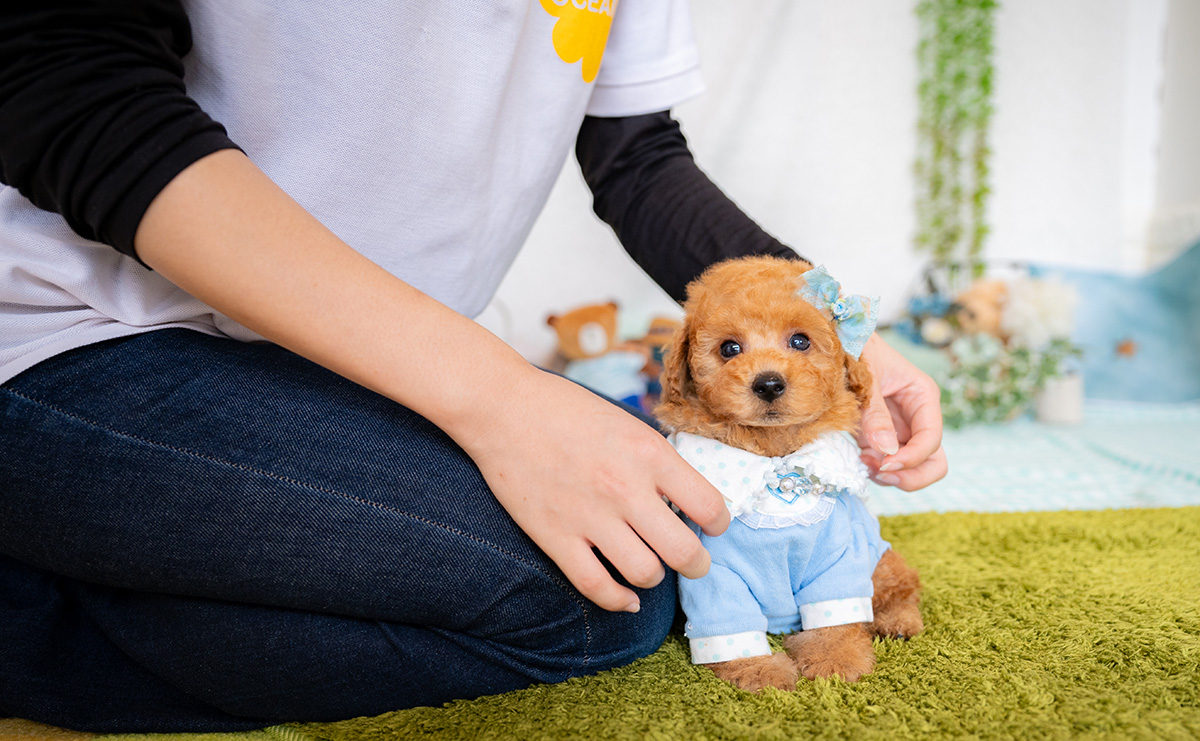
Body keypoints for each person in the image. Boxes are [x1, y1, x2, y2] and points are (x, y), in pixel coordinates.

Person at [0, 0, 947, 732]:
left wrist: (839, 327)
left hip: (372, 366)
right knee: (591, 609)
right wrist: (498, 398)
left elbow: (638, 158)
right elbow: (66, 84)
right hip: (80, 337)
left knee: (636, 559)